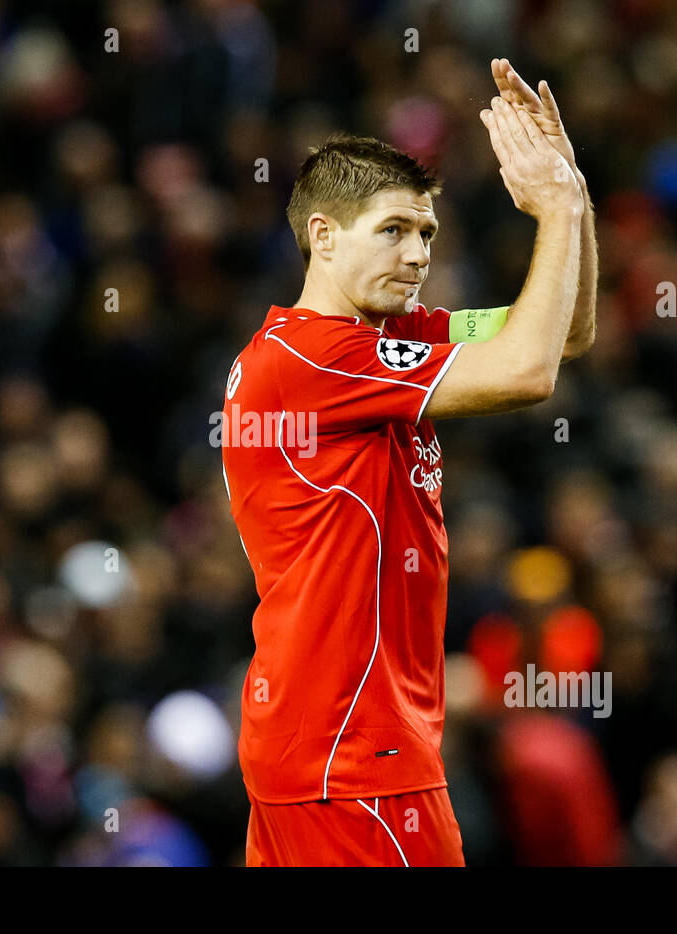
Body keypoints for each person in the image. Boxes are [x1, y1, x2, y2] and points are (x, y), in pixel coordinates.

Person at [220, 59, 597, 865]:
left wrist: (574, 197)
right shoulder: (314, 358)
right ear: (322, 235)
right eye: (392, 229)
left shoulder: (381, 343)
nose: (418, 251)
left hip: (319, 748)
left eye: (426, 232)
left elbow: (564, 335)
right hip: (358, 756)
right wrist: (555, 212)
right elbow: (527, 374)